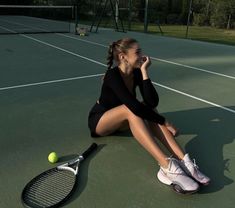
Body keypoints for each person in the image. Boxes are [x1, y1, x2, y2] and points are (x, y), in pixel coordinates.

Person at [88, 38, 210, 193]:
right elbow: (133, 107)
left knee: (145, 108)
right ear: (122, 56)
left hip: (122, 121)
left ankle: (185, 162)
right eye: (137, 52)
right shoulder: (113, 76)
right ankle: (166, 166)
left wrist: (145, 72)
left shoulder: (136, 72)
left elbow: (152, 103)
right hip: (100, 120)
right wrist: (165, 122)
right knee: (131, 109)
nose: (142, 55)